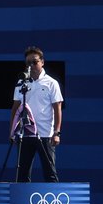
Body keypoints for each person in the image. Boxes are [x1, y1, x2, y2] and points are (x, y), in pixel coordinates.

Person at [9, 45, 63, 183]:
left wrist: (56, 133)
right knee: (22, 173)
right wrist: (12, 132)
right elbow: (15, 108)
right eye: (28, 63)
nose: (31, 65)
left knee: (50, 172)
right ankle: (23, 203)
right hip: (26, 134)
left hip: (46, 135)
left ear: (42, 62)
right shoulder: (21, 83)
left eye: (35, 62)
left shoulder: (52, 83)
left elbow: (57, 109)